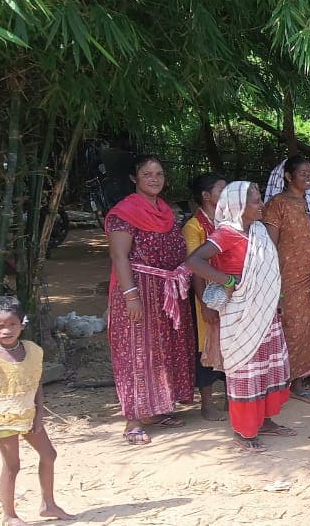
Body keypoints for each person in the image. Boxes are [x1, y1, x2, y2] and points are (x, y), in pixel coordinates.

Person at [185, 181, 294, 452]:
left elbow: (270, 270)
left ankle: (265, 420)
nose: (261, 206)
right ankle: (244, 432)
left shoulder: (258, 231)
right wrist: (229, 281)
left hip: (265, 311)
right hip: (240, 310)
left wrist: (276, 299)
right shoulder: (226, 234)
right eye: (256, 202)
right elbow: (194, 262)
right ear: (239, 206)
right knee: (245, 368)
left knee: (267, 366)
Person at [106, 155, 195, 445]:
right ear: (135, 178)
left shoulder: (167, 211)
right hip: (139, 290)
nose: (154, 179)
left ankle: (156, 410)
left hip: (166, 292)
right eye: (147, 174)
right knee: (138, 350)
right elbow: (119, 256)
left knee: (163, 350)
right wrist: (131, 296)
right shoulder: (125, 212)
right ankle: (133, 418)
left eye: (159, 173)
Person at [0, 296, 75, 525]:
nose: (6, 330)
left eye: (12, 325)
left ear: (22, 324)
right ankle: (9, 516)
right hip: (4, 417)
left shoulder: (33, 351)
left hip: (29, 414)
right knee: (12, 466)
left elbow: (36, 382)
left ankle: (48, 504)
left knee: (49, 455)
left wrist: (39, 414)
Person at [262, 156, 310, 406]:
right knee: (290, 329)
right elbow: (269, 245)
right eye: (303, 173)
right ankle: (280, 383)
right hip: (287, 278)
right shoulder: (277, 204)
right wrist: (272, 283)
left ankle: (298, 382)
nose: (308, 177)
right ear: (288, 176)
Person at [181, 173, 228, 422]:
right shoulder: (194, 226)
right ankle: (207, 403)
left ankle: (232, 398)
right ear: (206, 196)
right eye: (221, 189)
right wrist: (205, 304)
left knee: (230, 343)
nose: (226, 194)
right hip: (207, 294)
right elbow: (195, 268)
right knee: (207, 345)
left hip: (229, 294)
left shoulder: (227, 222)